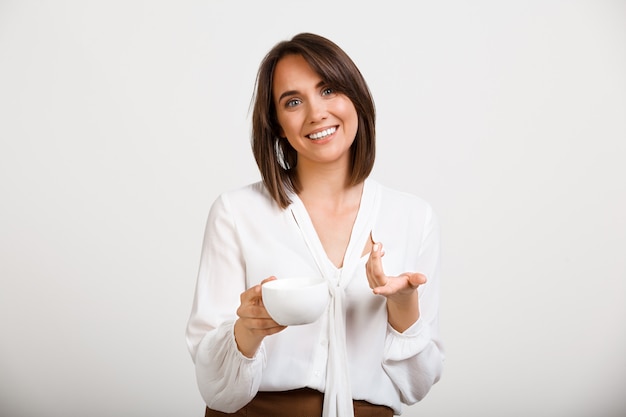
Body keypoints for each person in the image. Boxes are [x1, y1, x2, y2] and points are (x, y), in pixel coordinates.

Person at [186, 32, 444, 417]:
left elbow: (417, 386)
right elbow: (215, 387)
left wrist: (403, 305)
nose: (316, 113)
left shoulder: (412, 217)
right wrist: (248, 330)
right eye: (293, 101)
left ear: (355, 98)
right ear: (276, 124)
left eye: (328, 91)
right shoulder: (236, 212)